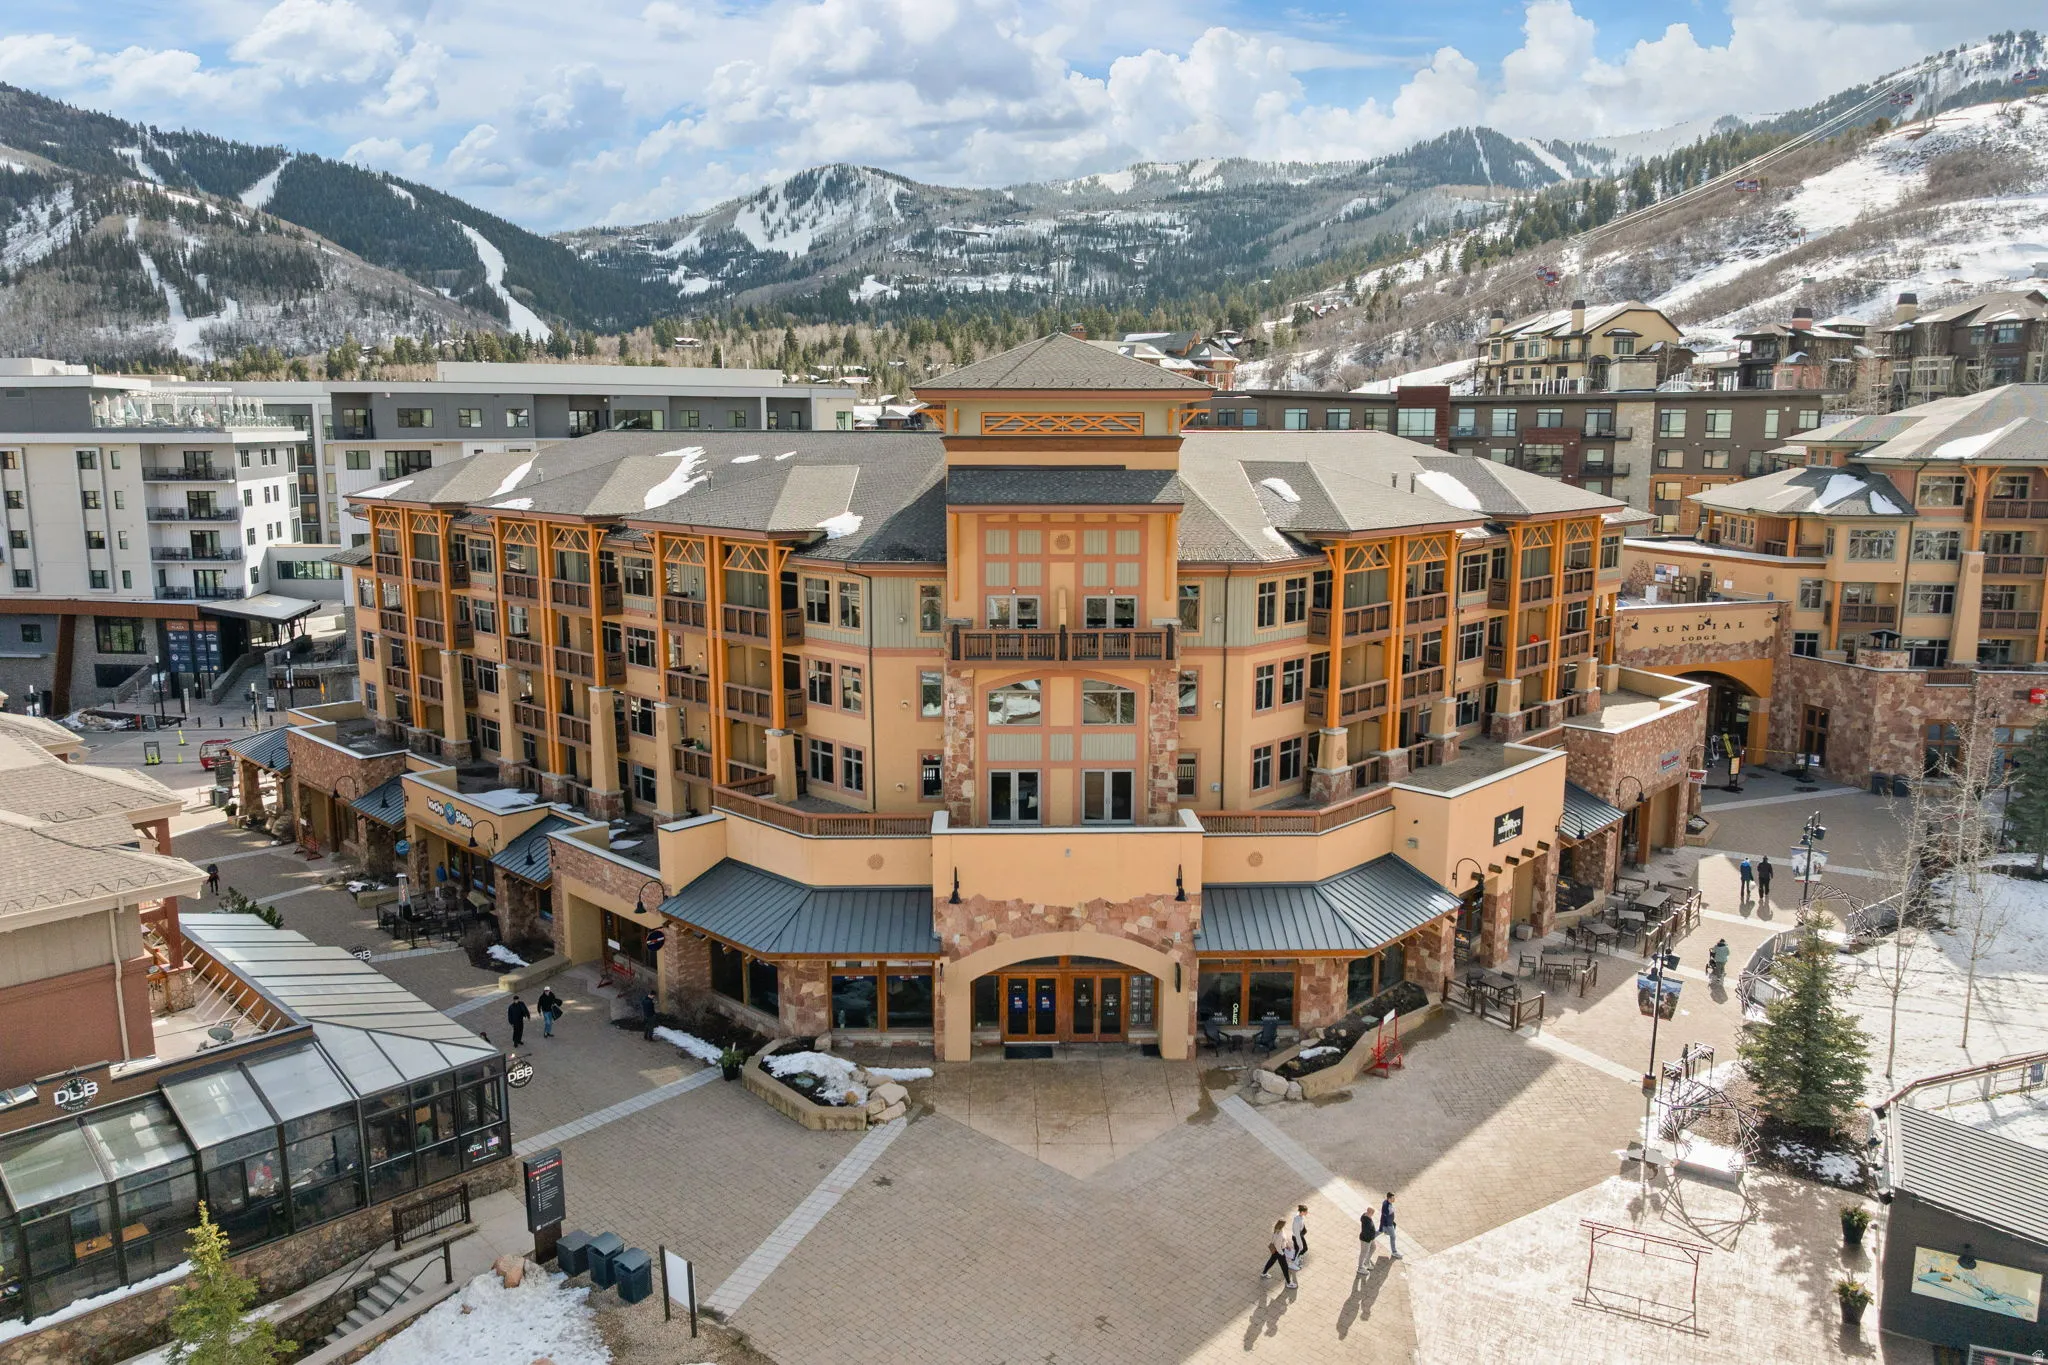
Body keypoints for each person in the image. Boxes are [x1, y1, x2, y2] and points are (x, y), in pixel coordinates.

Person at [1260, 1219, 1297, 1288]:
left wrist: (1287, 1245)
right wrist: (1282, 1254)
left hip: (1278, 1251)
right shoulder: (1279, 1234)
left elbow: (1282, 1240)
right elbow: (1278, 1246)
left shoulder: (1278, 1229)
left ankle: (1264, 1273)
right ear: (1282, 1225)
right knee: (1284, 1267)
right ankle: (1289, 1283)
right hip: (1279, 1252)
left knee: (1271, 1261)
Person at [1356, 1208, 1379, 1277]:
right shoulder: (1367, 1221)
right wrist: (1371, 1237)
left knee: (1373, 1247)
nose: (1373, 1215)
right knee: (1363, 1253)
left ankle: (1366, 1262)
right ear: (1369, 1212)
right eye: (1372, 1213)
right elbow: (1366, 1232)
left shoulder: (1366, 1216)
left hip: (1370, 1239)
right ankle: (1360, 1268)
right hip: (1366, 1240)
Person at [1381, 1193, 1400, 1259]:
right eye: (1393, 1198)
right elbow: (1384, 1216)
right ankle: (1394, 1252)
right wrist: (1385, 1225)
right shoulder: (1387, 1206)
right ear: (1389, 1198)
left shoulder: (1386, 1202)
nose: (1394, 1199)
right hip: (1388, 1225)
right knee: (1393, 1236)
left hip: (1388, 1224)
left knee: (1379, 1232)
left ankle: (1370, 1238)